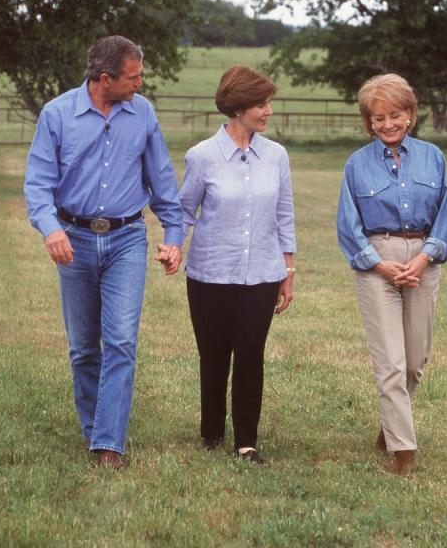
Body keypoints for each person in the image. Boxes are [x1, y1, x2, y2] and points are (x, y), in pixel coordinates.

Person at [24, 35, 182, 470]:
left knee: (121, 341)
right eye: (134, 77)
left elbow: (163, 183)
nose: (140, 83)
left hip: (127, 239)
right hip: (72, 239)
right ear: (105, 78)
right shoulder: (57, 114)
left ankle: (108, 443)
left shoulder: (143, 114)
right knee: (83, 349)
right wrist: (50, 229)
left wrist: (173, 236)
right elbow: (37, 183)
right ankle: (94, 429)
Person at [336, 73, 447, 476]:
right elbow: (347, 225)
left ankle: (389, 426)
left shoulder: (433, 157)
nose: (386, 124)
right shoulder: (356, 165)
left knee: (414, 361)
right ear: (368, 121)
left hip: (424, 260)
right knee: (389, 359)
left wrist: (423, 259)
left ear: (410, 115)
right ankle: (404, 449)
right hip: (377, 263)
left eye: (394, 116)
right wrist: (379, 263)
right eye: (377, 118)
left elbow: (445, 217)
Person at [178, 65, 296, 465]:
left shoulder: (277, 156)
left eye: (268, 103)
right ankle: (211, 430)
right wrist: (171, 247)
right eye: (261, 104)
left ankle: (246, 440)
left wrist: (288, 272)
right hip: (210, 274)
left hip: (262, 274)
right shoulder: (202, 157)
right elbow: (183, 212)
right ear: (239, 106)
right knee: (213, 356)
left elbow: (284, 215)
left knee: (251, 354)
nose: (268, 112)